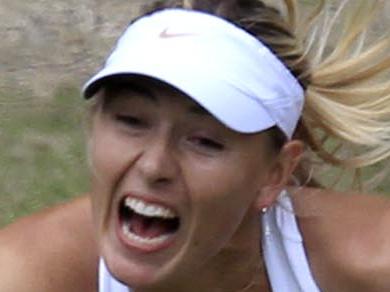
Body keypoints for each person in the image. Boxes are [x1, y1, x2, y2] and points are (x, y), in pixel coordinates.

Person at [1, 0, 390, 291]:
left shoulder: (373, 262)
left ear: (275, 175)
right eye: (131, 121)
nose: (154, 166)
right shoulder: (23, 274)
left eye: (204, 141)